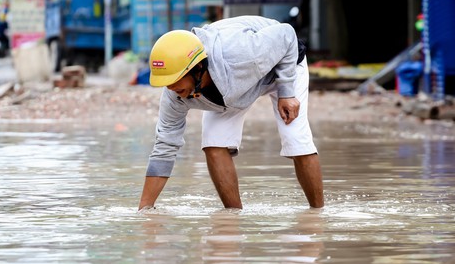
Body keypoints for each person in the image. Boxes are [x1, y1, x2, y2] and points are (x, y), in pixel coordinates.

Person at [138, 15, 324, 211]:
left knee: (295, 138)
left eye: (176, 79)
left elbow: (286, 35)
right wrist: (144, 209)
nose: (170, 87)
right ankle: (233, 216)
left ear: (198, 67)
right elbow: (164, 146)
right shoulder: (174, 94)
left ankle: (318, 214)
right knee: (213, 143)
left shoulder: (243, 54)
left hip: (281, 64)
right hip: (230, 89)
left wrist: (286, 92)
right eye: (166, 82)